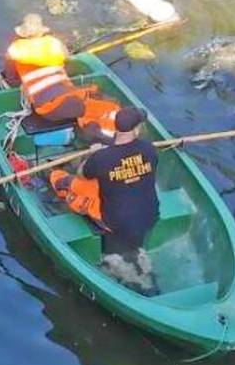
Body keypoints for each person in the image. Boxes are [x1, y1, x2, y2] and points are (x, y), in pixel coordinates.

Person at [49, 106, 159, 258]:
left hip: (114, 223)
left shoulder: (101, 157)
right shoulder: (150, 149)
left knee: (65, 180)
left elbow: (82, 174)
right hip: (150, 217)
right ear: (136, 129)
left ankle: (54, 184)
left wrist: (92, 154)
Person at [3, 13, 88, 122]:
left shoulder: (14, 49)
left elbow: (11, 77)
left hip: (47, 111)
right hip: (76, 104)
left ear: (22, 33)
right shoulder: (54, 42)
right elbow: (67, 57)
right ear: (42, 30)